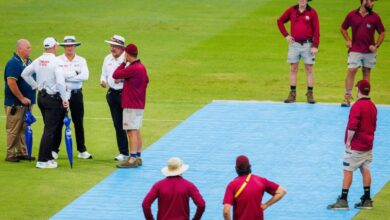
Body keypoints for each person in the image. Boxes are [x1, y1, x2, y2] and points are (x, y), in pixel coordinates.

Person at [22, 37, 76, 169]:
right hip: (53, 99)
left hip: (41, 97)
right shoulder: (56, 62)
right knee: (50, 130)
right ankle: (42, 160)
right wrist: (65, 99)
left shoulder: (38, 60)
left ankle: (49, 157)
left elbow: (25, 74)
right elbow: (60, 82)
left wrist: (36, 86)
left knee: (49, 128)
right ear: (54, 47)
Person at [327, 80, 377, 210]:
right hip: (368, 145)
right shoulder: (373, 106)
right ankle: (367, 199)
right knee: (365, 169)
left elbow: (352, 126)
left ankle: (343, 200)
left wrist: (348, 141)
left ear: (359, 90)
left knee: (348, 171)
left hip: (356, 146)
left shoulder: (357, 106)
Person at [340, 0, 385, 107]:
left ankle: (364, 97)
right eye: (371, 1)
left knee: (366, 72)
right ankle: (347, 96)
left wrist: (376, 46)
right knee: (352, 70)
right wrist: (348, 40)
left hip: (369, 51)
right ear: (363, 1)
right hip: (355, 48)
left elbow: (382, 32)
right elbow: (343, 28)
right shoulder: (352, 14)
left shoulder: (375, 17)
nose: (373, 3)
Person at [113, 43, 149, 168]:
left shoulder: (133, 68)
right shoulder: (141, 67)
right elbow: (146, 81)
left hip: (131, 104)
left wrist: (123, 63)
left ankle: (132, 158)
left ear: (127, 54)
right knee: (137, 130)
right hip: (139, 103)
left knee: (131, 132)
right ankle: (138, 156)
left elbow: (116, 74)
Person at [277, 0, 320, 104]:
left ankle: (310, 94)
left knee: (309, 69)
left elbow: (317, 30)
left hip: (308, 45)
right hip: (294, 44)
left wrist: (315, 45)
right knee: (293, 68)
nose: (302, 0)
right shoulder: (292, 10)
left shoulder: (312, 12)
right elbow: (280, 21)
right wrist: (286, 35)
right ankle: (292, 94)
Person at [57, 35, 92, 159]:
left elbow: (85, 76)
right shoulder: (58, 60)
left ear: (75, 46)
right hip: (63, 94)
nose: (69, 48)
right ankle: (54, 149)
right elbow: (58, 77)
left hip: (77, 93)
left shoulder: (81, 60)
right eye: (67, 45)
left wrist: (67, 77)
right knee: (59, 121)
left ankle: (82, 150)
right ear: (64, 47)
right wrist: (75, 73)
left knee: (78, 122)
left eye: (72, 45)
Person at [223, 155, 287, 220]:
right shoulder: (261, 181)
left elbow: (226, 211)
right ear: (249, 167)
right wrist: (266, 205)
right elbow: (282, 191)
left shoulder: (232, 185)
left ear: (236, 168)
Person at [4, 39, 37, 162]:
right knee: (13, 129)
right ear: (20, 49)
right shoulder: (14, 63)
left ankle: (23, 152)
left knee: (23, 128)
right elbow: (11, 83)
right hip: (15, 103)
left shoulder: (29, 62)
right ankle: (10, 154)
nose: (30, 49)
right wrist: (22, 98)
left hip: (26, 103)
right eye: (27, 47)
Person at [100, 35, 129, 161]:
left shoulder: (127, 60)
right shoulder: (107, 58)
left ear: (122, 48)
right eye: (111, 45)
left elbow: (132, 76)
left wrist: (121, 79)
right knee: (117, 124)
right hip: (112, 94)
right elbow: (104, 74)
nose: (112, 48)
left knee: (128, 124)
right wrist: (103, 81)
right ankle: (123, 152)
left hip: (125, 94)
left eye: (115, 46)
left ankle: (133, 153)